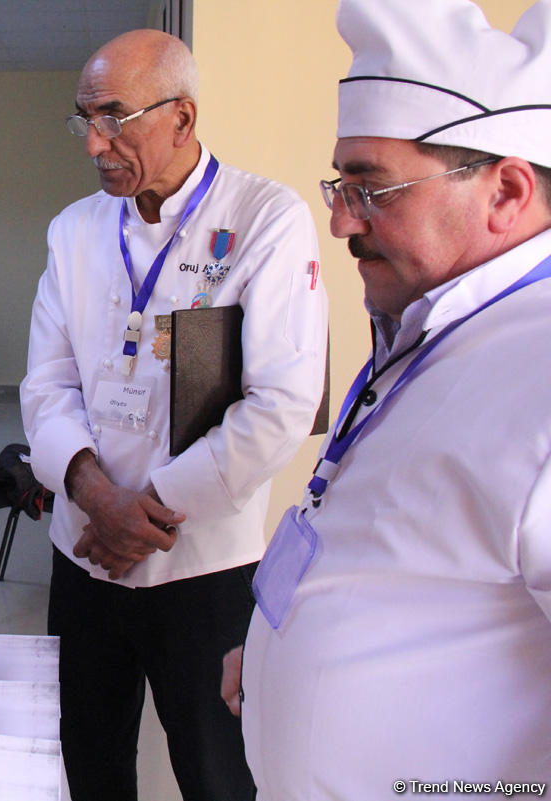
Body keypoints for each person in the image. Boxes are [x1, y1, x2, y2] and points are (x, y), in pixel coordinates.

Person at [227, 0, 551, 796]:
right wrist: (276, 644)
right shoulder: (432, 320)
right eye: (341, 183)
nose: (340, 219)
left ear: (505, 192)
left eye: (372, 188)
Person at [19, 29, 328, 801]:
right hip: (85, 552)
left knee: (217, 770)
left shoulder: (265, 221)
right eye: (85, 119)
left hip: (203, 566)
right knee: (87, 758)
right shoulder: (74, 230)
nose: (95, 143)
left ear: (182, 117)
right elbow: (46, 385)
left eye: (114, 117)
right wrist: (99, 500)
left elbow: (281, 402)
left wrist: (145, 511)